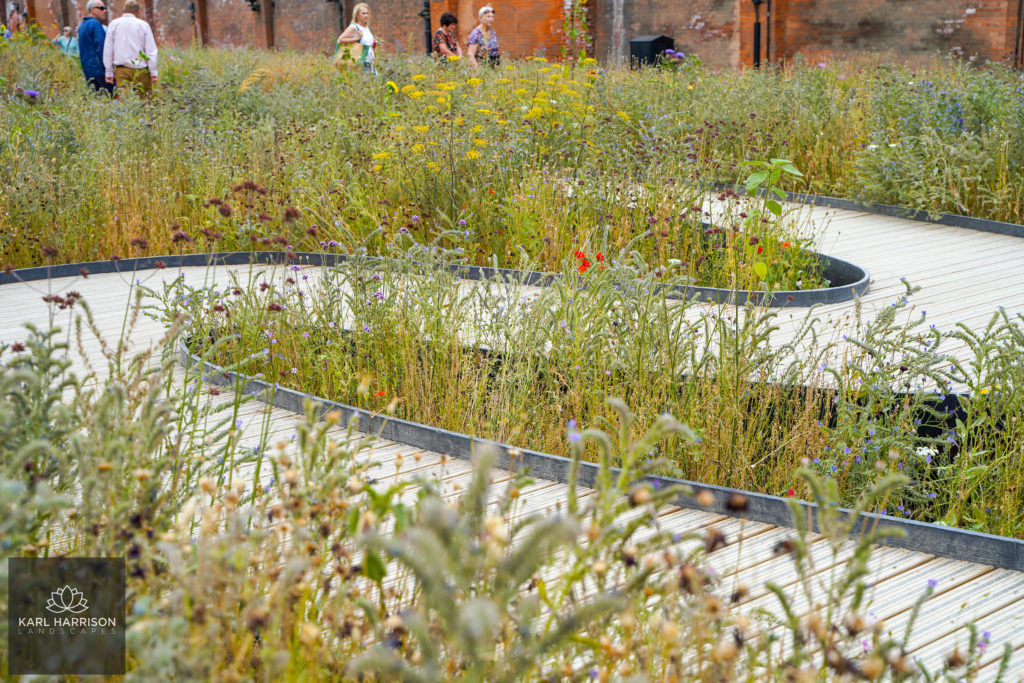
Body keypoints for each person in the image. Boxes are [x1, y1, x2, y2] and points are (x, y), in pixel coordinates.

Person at [103, 0, 158, 98]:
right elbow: (151, 50)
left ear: (124, 10)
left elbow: (108, 50)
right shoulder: (143, 25)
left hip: (121, 70)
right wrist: (153, 71)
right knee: (144, 100)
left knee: (125, 103)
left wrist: (109, 72)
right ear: (137, 11)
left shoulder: (114, 24)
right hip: (141, 70)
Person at [77, 0, 112, 95]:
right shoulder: (96, 24)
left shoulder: (82, 25)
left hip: (88, 70)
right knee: (113, 98)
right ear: (92, 10)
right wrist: (108, 69)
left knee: (96, 100)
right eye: (101, 8)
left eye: (105, 8)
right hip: (100, 70)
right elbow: (102, 48)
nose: (104, 11)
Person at [336, 3, 377, 75]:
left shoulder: (366, 27)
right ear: (357, 15)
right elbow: (340, 39)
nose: (366, 15)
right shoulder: (354, 27)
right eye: (363, 13)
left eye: (367, 13)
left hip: (370, 61)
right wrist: (356, 38)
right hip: (362, 62)